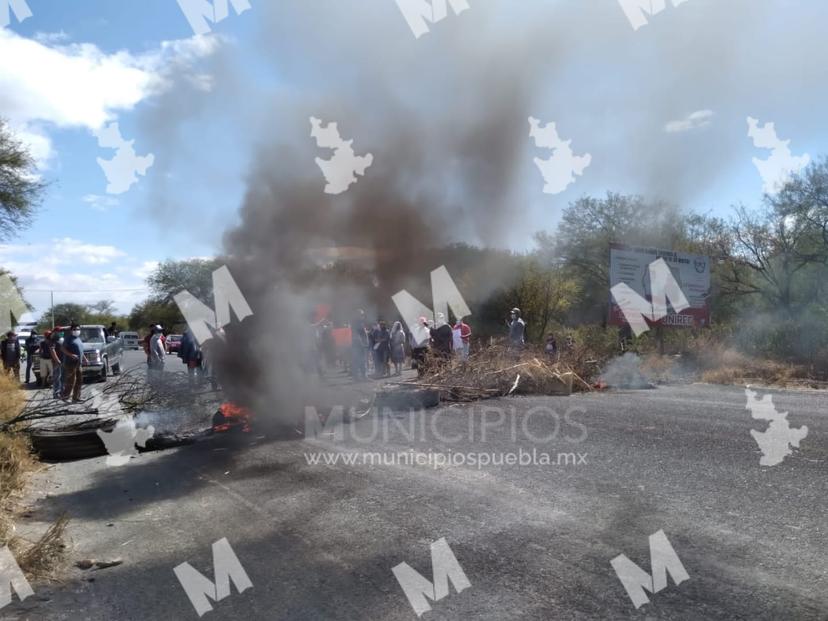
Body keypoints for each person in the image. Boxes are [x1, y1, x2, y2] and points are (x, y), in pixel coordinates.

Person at [61, 323, 86, 402]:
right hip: (70, 363)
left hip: (79, 363)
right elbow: (63, 349)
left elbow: (81, 350)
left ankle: (76, 397)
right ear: (71, 330)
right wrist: (71, 354)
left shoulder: (78, 338)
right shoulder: (68, 338)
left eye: (78, 329)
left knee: (79, 380)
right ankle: (65, 397)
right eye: (74, 329)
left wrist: (85, 358)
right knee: (71, 380)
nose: (76, 331)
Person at [350, 310, 369, 381]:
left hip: (359, 345)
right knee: (360, 360)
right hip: (358, 345)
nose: (363, 316)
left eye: (362, 315)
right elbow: (356, 335)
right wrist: (362, 343)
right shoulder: (356, 323)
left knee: (360, 360)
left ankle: (359, 377)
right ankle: (361, 377)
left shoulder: (359, 323)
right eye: (361, 315)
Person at [50, 330, 64, 399]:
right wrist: (57, 360)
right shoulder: (53, 341)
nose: (61, 332)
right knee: (57, 378)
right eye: (59, 331)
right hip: (57, 362)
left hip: (63, 361)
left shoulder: (61, 340)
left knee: (62, 377)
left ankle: (62, 392)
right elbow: (52, 351)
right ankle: (56, 393)